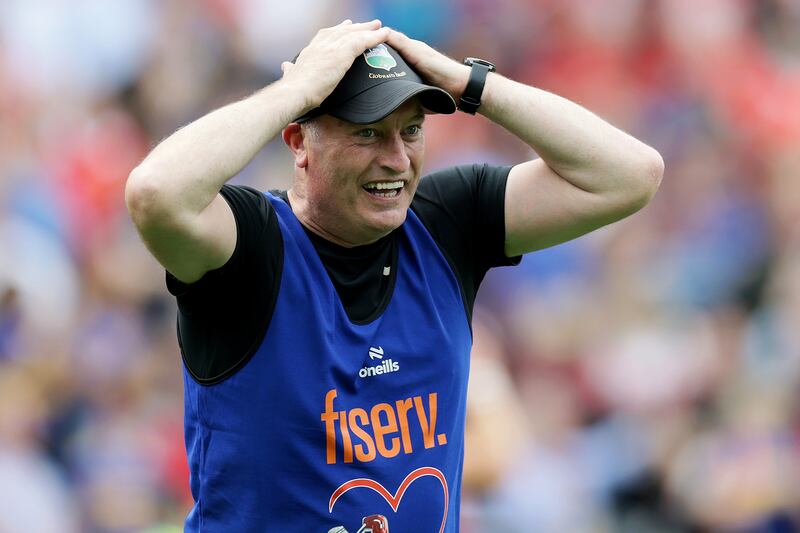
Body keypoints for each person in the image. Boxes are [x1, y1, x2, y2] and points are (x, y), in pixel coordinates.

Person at [125, 19, 663, 533]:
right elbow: (156, 193)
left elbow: (629, 175)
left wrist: (468, 83)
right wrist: (294, 91)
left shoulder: (445, 223)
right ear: (298, 143)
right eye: (367, 133)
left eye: (410, 130)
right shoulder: (253, 246)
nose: (397, 158)